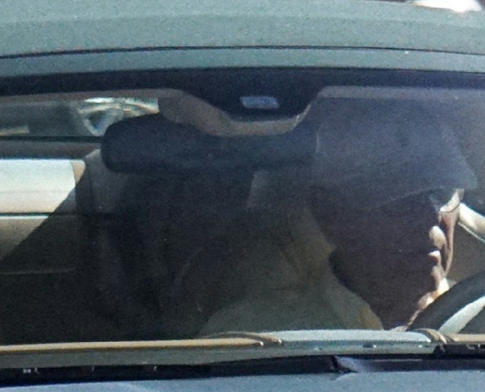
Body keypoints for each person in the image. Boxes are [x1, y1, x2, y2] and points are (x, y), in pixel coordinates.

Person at [193, 93, 470, 334]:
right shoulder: (259, 335)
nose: (428, 217)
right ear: (331, 215)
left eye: (442, 195)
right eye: (397, 200)